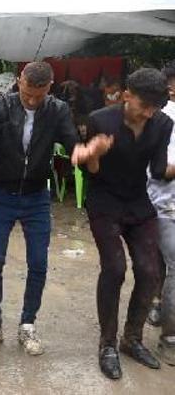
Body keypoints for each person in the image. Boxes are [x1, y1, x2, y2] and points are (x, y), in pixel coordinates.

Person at [73, 68, 174, 379]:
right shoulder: (100, 120)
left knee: (150, 271)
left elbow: (158, 171)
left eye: (155, 108)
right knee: (115, 268)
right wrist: (93, 153)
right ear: (127, 95)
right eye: (144, 106)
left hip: (138, 201)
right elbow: (90, 170)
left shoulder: (163, 123)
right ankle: (107, 344)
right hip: (104, 201)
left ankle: (132, 339)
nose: (148, 114)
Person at [0, 61, 79, 356]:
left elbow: (72, 142)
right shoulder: (0, 107)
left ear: (49, 87)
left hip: (36, 196)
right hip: (1, 192)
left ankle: (28, 324)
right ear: (20, 80)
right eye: (27, 94)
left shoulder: (57, 110)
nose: (32, 101)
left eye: (39, 95)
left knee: (38, 263)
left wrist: (82, 151)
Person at [147, 62, 175, 367]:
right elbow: (159, 170)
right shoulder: (163, 118)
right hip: (165, 205)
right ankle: (170, 336)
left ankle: (158, 306)